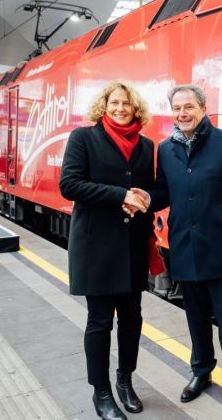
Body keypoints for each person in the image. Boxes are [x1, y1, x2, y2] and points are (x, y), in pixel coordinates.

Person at [131, 84, 222, 412]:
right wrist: (147, 197)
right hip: (185, 246)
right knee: (196, 316)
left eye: (188, 107)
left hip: (221, 246)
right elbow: (165, 192)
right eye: (177, 108)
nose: (182, 114)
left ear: (203, 108)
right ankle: (201, 371)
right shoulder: (166, 149)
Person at [59, 81, 154, 420]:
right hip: (96, 247)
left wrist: (142, 198)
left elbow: (148, 188)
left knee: (132, 318)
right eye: (114, 102)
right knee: (100, 322)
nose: (120, 108)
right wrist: (120, 195)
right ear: (104, 105)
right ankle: (101, 393)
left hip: (132, 246)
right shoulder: (83, 138)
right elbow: (69, 184)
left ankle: (125, 381)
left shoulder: (146, 145)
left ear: (135, 107)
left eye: (126, 103)